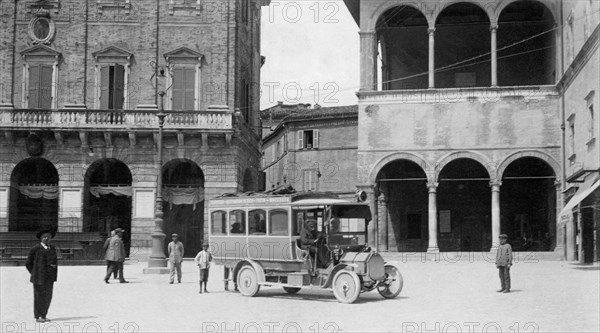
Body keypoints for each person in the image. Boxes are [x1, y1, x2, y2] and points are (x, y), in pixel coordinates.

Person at [25, 229, 58, 323]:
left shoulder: (52, 248)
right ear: (40, 238)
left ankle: (44, 315)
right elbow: (28, 263)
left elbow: (54, 262)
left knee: (48, 297)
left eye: (49, 236)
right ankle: (38, 316)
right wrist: (35, 272)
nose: (47, 238)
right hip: (38, 278)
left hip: (49, 277)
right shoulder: (35, 248)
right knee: (39, 297)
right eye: (44, 237)